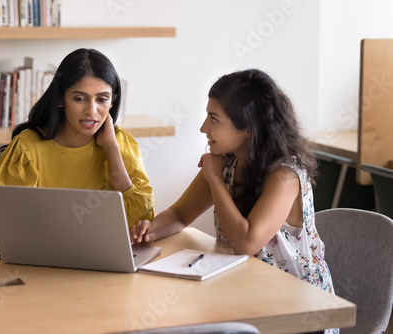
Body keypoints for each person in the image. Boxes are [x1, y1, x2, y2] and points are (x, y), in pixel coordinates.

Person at [131, 69, 337, 334]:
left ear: (248, 129)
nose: (203, 127)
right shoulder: (226, 162)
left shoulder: (285, 175)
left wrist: (215, 180)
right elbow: (180, 214)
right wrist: (149, 230)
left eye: (214, 119)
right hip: (246, 293)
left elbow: (246, 243)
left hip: (300, 311)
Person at [0, 48, 154, 237]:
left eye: (102, 99)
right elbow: (4, 228)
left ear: (112, 103)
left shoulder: (120, 143)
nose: (91, 111)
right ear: (60, 99)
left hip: (105, 260)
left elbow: (138, 223)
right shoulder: (26, 149)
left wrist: (112, 149)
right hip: (41, 260)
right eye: (80, 98)